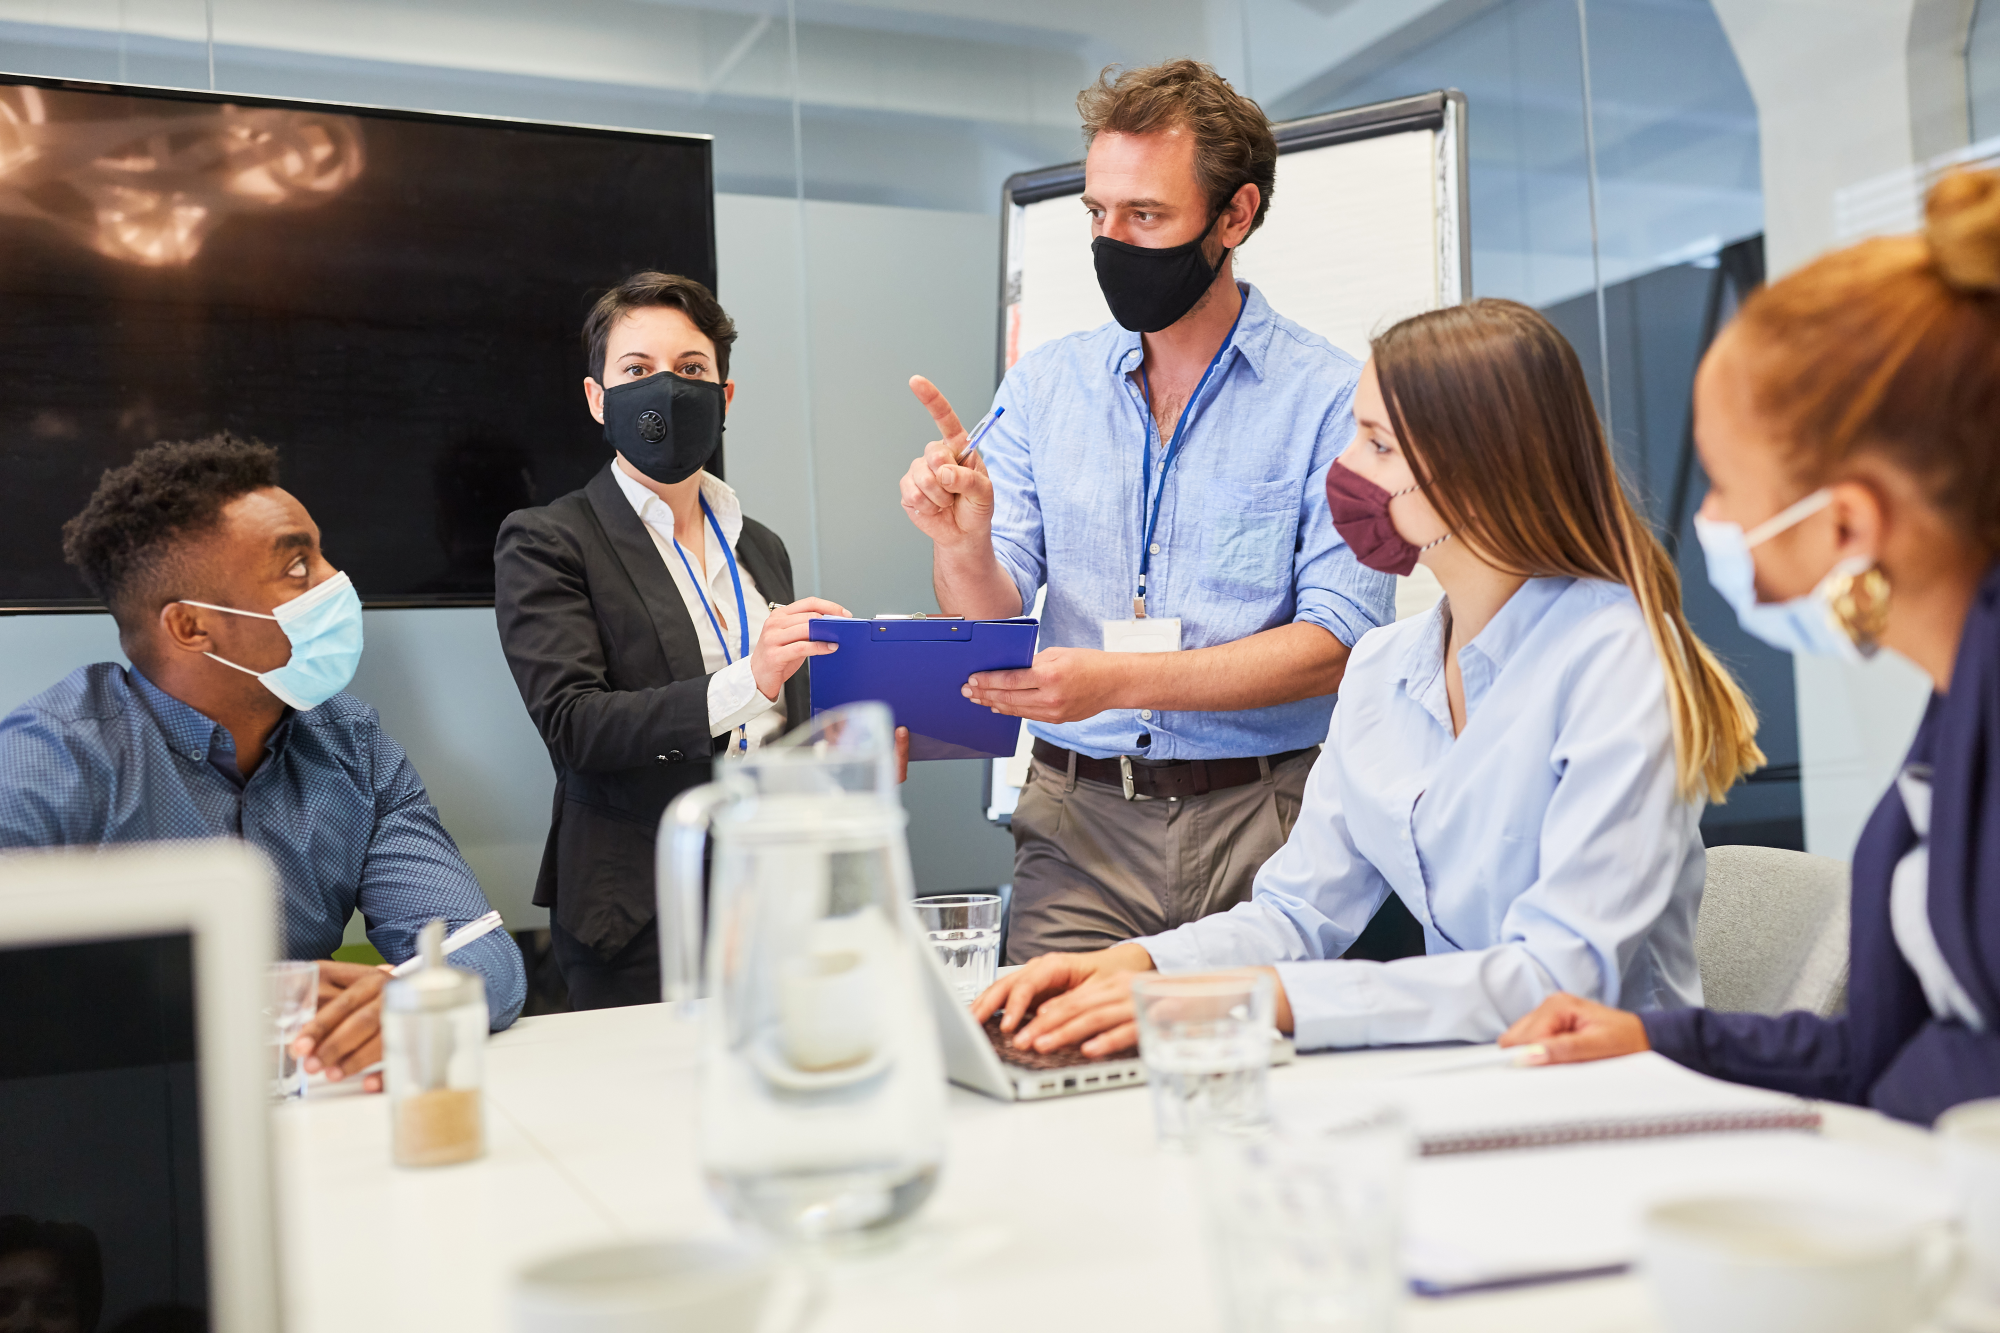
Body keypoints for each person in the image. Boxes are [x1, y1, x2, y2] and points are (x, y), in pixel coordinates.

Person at [976, 297, 1766, 1057]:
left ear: (1480, 469)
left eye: (1377, 445)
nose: (1345, 469)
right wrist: (1138, 964)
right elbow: (1295, 912)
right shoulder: (1386, 669)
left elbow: (1558, 980)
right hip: (1467, 1074)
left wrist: (1267, 1001)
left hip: (1617, 1095)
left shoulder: (1616, 657)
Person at [1500, 170, 2000, 1126]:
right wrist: (1654, 1037)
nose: (1708, 518)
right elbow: (1874, 1053)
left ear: (1846, 523)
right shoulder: (1955, 695)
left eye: (1728, 485)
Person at [897, 60, 1398, 963]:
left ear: (1235, 215)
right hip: (1076, 829)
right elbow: (987, 616)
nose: (1111, 240)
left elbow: (1340, 641)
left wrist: (1118, 680)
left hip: (1271, 821)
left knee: (1261, 1081)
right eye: (1097, 213)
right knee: (1048, 1066)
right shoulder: (1045, 386)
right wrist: (963, 543)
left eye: (1146, 215)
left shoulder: (1332, 399)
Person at [0, 435, 525, 1090]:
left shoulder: (352, 745)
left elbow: (480, 952)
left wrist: (408, 1000)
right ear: (192, 626)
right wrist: (247, 1004)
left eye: (321, 551)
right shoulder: (45, 764)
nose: (337, 581)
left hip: (318, 1111)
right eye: (298, 567)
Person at [494, 272, 861, 1009]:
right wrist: (748, 680)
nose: (666, 391)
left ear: (724, 398)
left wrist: (847, 736)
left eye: (692, 371)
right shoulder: (548, 540)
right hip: (640, 911)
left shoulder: (760, 544)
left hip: (777, 891)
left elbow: (777, 724)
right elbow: (574, 726)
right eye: (637, 371)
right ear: (598, 398)